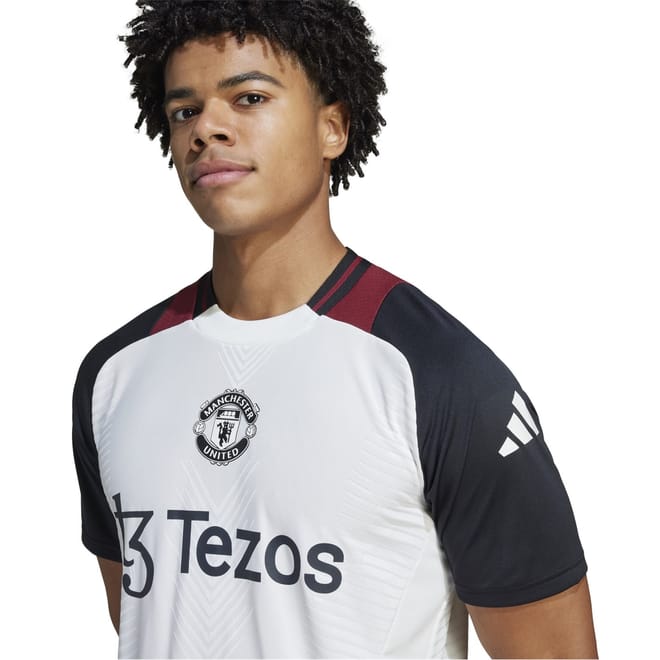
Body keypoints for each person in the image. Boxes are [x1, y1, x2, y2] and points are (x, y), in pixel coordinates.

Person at [71, 1, 598, 657]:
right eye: (185, 111)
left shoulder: (444, 379)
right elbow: (145, 620)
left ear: (333, 128)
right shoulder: (114, 374)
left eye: (249, 98)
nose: (207, 128)